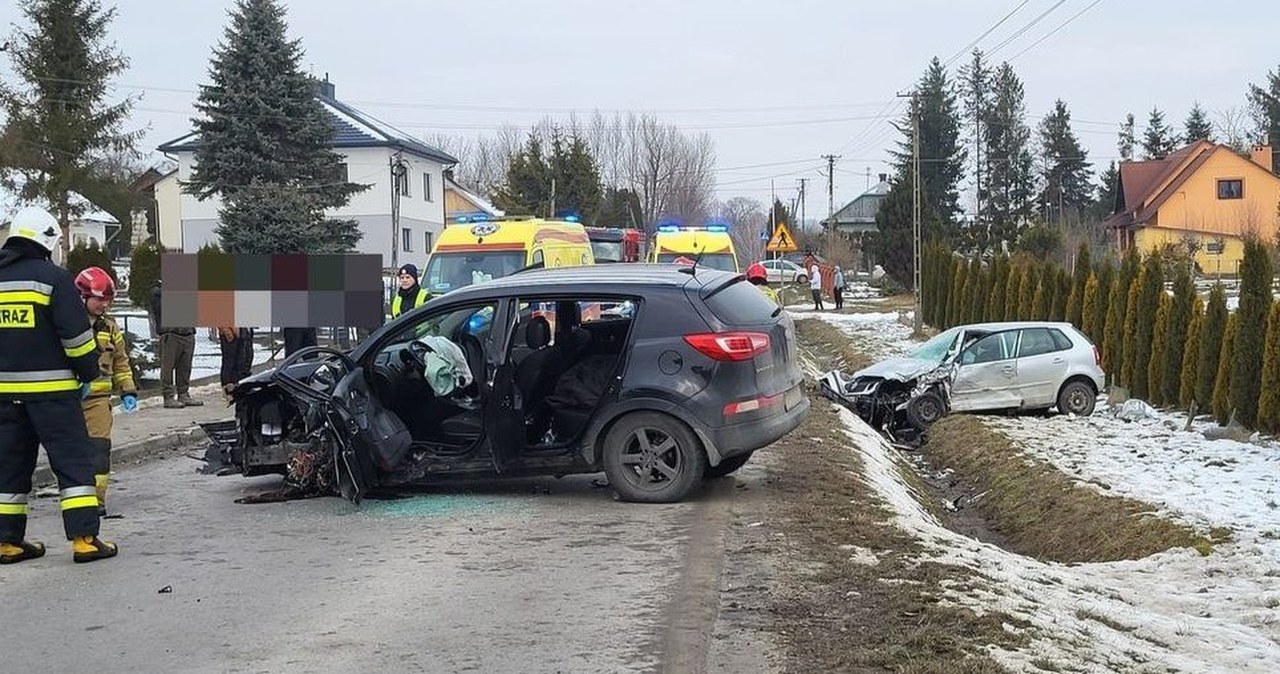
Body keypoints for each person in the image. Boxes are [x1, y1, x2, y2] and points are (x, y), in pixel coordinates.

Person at [0, 206, 116, 564]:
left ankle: (6, 543)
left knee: (8, 466)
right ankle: (84, 539)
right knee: (72, 463)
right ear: (48, 239)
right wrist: (88, 372)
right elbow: (77, 338)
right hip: (53, 394)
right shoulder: (53, 278)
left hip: (5, 396)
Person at [75, 267, 137, 517]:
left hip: (98, 401)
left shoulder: (110, 328)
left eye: (107, 300)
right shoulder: (67, 324)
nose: (104, 304)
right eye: (99, 299)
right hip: (68, 399)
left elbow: (121, 362)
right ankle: (75, 498)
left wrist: (128, 390)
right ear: (82, 296)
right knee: (72, 453)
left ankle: (97, 500)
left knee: (99, 450)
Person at [150, 278, 200, 409]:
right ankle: (168, 396)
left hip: (188, 333)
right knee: (168, 367)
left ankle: (183, 393)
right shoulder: (159, 294)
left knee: (185, 367)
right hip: (171, 334)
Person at [218, 327, 254, 398]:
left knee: (246, 358)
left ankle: (242, 386)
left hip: (244, 329)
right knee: (230, 361)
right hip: (230, 328)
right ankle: (228, 390)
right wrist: (225, 329)